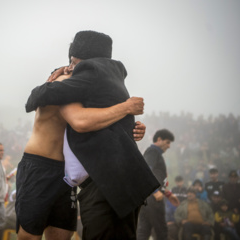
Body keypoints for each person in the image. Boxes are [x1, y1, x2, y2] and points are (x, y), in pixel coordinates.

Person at [24, 30, 159, 239]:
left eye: (74, 62)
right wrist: (127, 113)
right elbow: (78, 117)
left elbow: (80, 120)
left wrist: (127, 118)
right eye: (69, 62)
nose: (70, 67)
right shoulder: (84, 81)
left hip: (102, 181)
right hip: (50, 167)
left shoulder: (90, 79)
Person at [17, 77, 146, 240]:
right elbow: (80, 121)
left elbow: (102, 119)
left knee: (62, 235)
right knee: (29, 235)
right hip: (40, 165)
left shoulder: (89, 86)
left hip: (66, 174)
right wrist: (126, 108)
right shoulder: (65, 83)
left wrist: (131, 127)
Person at [137, 129, 175, 240]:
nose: (169, 146)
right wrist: (154, 191)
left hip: (147, 198)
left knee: (144, 230)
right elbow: (145, 171)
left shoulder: (155, 153)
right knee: (161, 231)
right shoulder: (153, 151)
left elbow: (157, 178)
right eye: (167, 142)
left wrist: (168, 194)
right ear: (159, 139)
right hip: (153, 198)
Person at [222, 170, 240, 240]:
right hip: (230, 212)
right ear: (229, 178)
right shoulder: (225, 187)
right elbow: (224, 200)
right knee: (232, 232)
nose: (233, 179)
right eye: (231, 177)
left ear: (237, 178)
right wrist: (232, 207)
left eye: (235, 177)